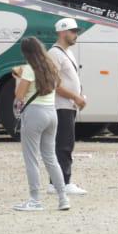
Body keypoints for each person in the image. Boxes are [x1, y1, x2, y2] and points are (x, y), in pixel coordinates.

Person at [11, 36, 69, 212]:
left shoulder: (29, 70)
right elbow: (57, 85)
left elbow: (19, 96)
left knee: (31, 158)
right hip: (52, 113)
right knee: (50, 158)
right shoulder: (50, 67)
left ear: (26, 53)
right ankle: (63, 198)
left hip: (34, 114)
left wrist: (17, 77)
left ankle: (35, 200)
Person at [48, 18, 89, 197]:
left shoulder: (67, 53)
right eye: (73, 31)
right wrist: (75, 97)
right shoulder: (55, 54)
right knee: (63, 145)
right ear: (63, 32)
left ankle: (58, 182)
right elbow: (53, 84)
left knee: (65, 143)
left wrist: (79, 97)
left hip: (69, 105)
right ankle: (62, 182)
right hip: (61, 105)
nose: (76, 35)